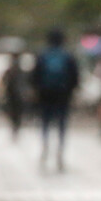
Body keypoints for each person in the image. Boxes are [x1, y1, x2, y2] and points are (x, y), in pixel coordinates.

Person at [32, 28, 78, 172]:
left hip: (46, 94)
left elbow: (35, 76)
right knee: (61, 124)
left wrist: (37, 90)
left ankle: (45, 146)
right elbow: (75, 77)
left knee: (45, 122)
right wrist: (71, 91)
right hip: (63, 95)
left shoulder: (43, 55)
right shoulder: (68, 56)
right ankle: (60, 149)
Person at [2, 53, 28, 141]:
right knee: (17, 114)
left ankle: (15, 128)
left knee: (14, 114)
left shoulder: (10, 71)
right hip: (18, 96)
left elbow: (4, 82)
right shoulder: (20, 71)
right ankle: (15, 128)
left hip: (12, 96)